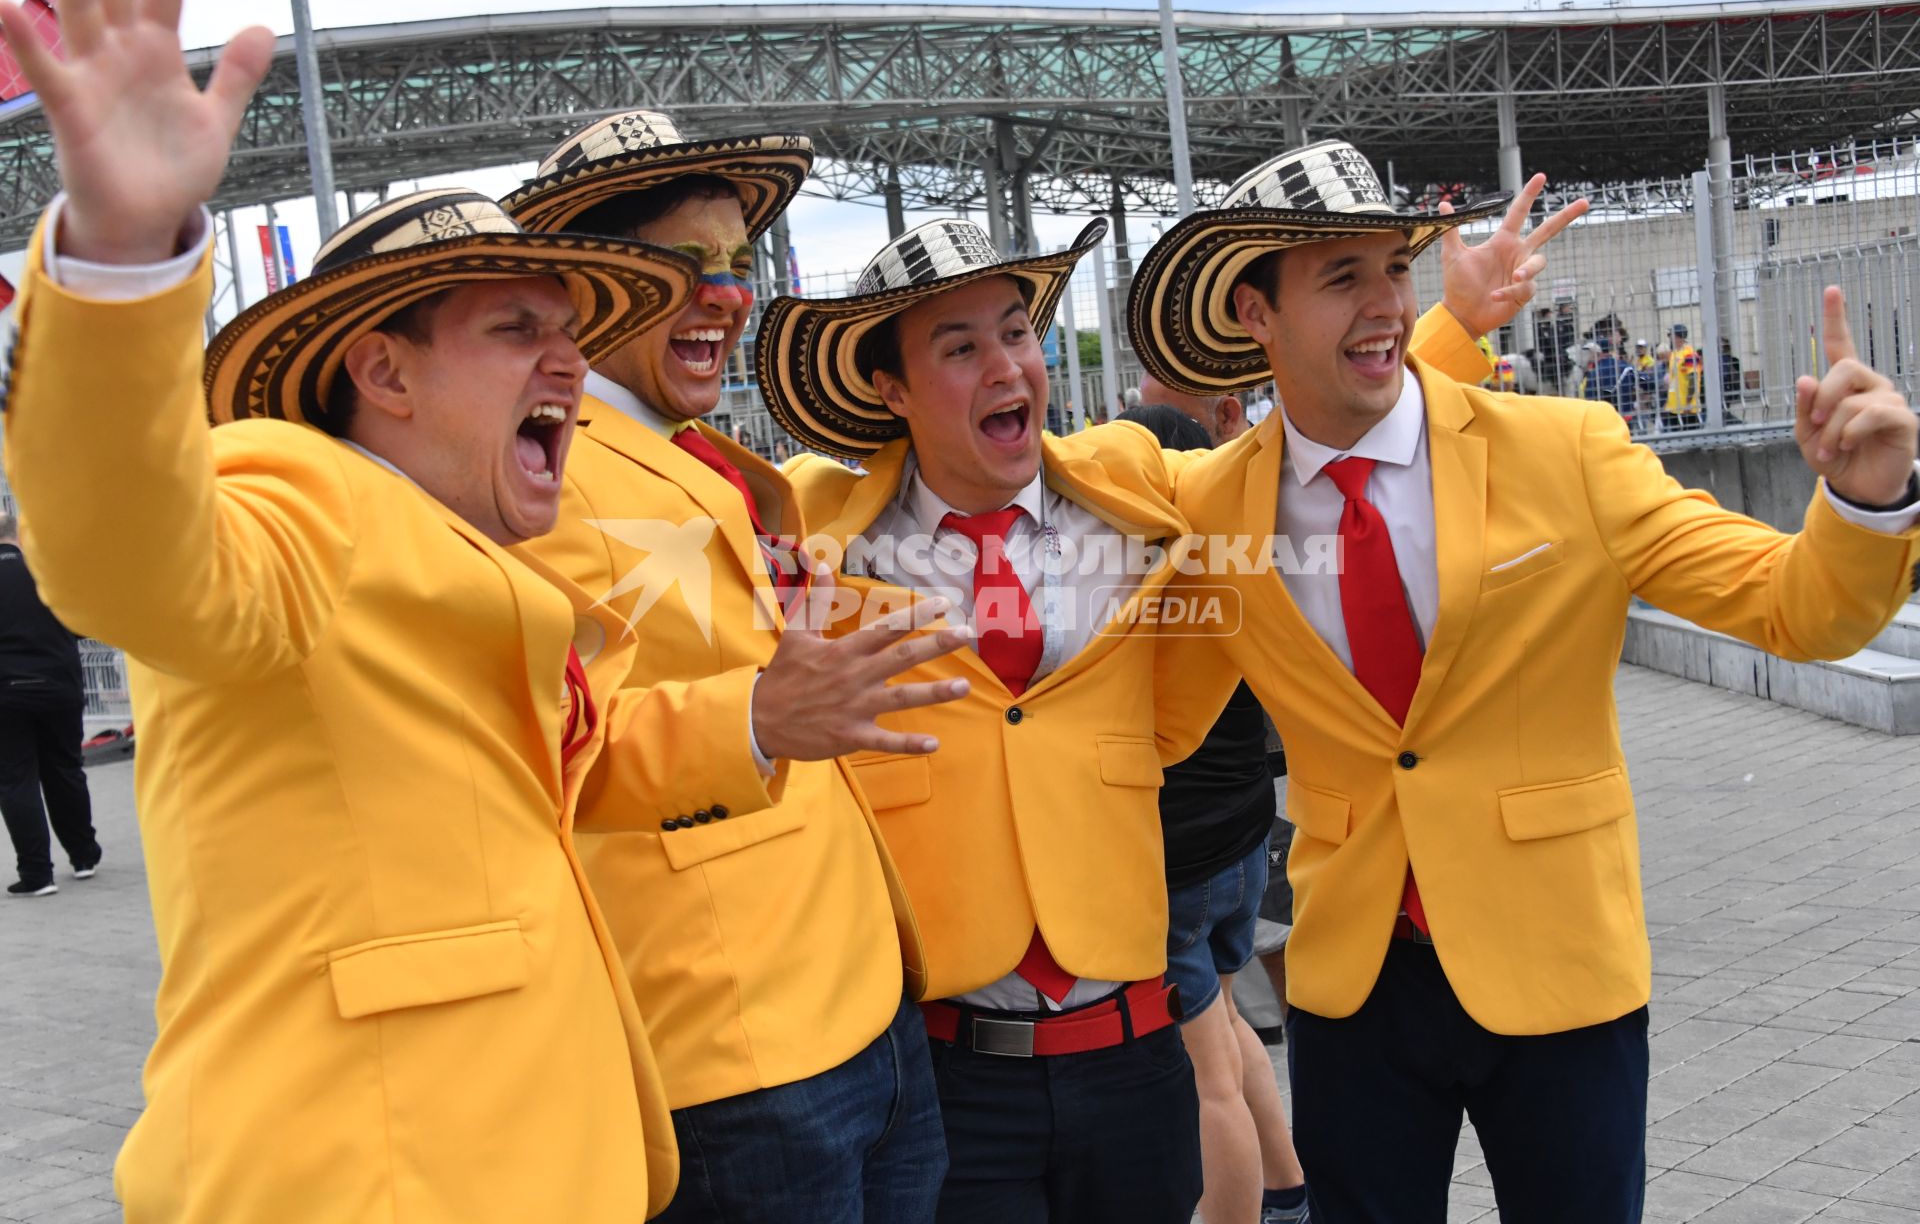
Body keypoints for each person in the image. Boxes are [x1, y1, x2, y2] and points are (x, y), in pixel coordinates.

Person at [0, 0, 747, 1216]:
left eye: (568, 330)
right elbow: (134, 558)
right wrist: (121, 263)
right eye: (517, 330)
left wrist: (760, 722)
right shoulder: (300, 492)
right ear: (383, 376)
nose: (567, 364)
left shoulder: (470, 550)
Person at [1127, 137, 1920, 1224]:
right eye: (1340, 278)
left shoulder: (1568, 449)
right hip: (1355, 981)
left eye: (1394, 272)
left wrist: (1869, 505)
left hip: (1556, 964)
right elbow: (1145, 698)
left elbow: (1796, 605)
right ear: (1254, 316)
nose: (1384, 307)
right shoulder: (1214, 504)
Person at [504, 109, 965, 1222]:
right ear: (592, 286)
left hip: (865, 1004)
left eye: (738, 266)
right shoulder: (536, 473)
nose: (728, 295)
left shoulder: (694, 452)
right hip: (733, 1051)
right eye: (685, 266)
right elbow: (553, 746)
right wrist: (758, 713)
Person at [757, 215, 1214, 1223]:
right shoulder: (822, 532)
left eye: (1015, 331)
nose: (1006, 365)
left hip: (1134, 1050)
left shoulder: (1131, 485)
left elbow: (1291, 467)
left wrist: (1443, 333)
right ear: (891, 389)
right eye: (959, 348)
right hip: (944, 1071)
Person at [1117, 403, 1309, 1224]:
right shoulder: (1234, 568)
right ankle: (1292, 1192)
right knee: (1228, 1023)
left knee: (1207, 1075)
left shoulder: (1147, 583)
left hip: (1182, 862)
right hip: (1242, 846)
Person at [0, 512, 100, 897]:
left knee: (15, 778)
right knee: (65, 768)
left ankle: (37, 874)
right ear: (18, 536)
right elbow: (84, 624)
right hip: (59, 686)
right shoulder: (49, 573)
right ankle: (84, 857)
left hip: (6, 692)